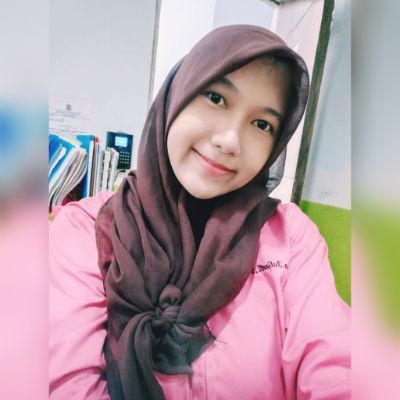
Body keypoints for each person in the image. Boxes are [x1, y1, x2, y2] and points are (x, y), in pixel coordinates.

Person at [49, 25, 350, 400]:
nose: (229, 140)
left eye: (262, 124)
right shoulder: (84, 231)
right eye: (216, 98)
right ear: (178, 95)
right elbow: (66, 385)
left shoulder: (291, 238)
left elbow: (339, 371)